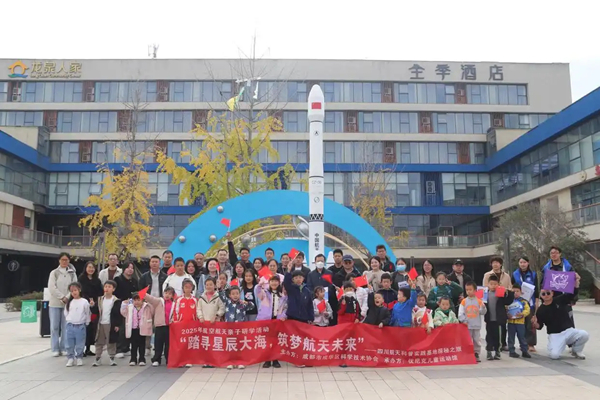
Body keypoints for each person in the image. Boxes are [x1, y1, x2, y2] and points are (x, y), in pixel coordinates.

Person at [533, 277, 589, 360]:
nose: (546, 295)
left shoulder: (560, 299)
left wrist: (576, 283)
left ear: (552, 293)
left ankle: (576, 350)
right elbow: (539, 326)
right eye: (543, 294)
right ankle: (553, 346)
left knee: (584, 334)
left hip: (568, 331)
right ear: (541, 295)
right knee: (554, 355)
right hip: (555, 334)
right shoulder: (540, 310)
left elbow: (572, 294)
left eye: (548, 293)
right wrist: (535, 324)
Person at [48, 252, 78, 357]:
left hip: (68, 303)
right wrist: (61, 297)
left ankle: (64, 347)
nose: (64, 262)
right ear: (59, 260)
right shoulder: (54, 273)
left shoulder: (72, 273)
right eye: (62, 260)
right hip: (55, 303)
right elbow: (52, 287)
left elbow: (74, 286)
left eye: (66, 260)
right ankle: (55, 348)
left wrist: (67, 297)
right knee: (54, 326)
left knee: (66, 327)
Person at [255, 275, 287, 369]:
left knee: (276, 340)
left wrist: (283, 316)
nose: (274, 283)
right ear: (269, 283)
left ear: (279, 283)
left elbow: (286, 307)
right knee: (267, 340)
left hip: (277, 320)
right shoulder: (265, 293)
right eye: (272, 281)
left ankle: (275, 359)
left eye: (276, 281)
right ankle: (267, 359)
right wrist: (260, 284)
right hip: (266, 319)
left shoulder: (283, 295)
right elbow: (257, 292)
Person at [483, 256, 512, 351]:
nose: (495, 264)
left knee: (502, 325)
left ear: (500, 264)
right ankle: (491, 345)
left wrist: (504, 291)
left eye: (497, 262)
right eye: (493, 263)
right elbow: (484, 289)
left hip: (502, 302)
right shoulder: (487, 275)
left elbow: (509, 288)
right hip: (491, 301)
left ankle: (503, 343)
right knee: (490, 326)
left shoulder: (506, 276)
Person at [224, 285, 255, 370]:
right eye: (233, 294)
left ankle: (240, 362)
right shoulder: (227, 303)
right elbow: (221, 295)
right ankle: (230, 362)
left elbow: (252, 306)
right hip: (229, 328)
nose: (235, 295)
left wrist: (247, 303)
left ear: (239, 294)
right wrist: (220, 288)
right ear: (230, 295)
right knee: (230, 344)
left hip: (240, 328)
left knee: (240, 345)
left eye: (237, 293)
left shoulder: (242, 303)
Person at [511, 256, 538, 352]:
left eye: (524, 262)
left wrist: (537, 301)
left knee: (530, 323)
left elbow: (536, 289)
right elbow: (512, 287)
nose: (523, 264)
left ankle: (531, 344)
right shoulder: (514, 274)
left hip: (530, 301)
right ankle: (523, 343)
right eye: (521, 262)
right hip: (519, 302)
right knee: (521, 324)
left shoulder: (533, 274)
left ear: (528, 263)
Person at [484, 274, 514, 360]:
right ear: (488, 284)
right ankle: (489, 351)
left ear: (498, 284)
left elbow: (508, 301)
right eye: (491, 284)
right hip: (489, 320)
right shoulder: (485, 294)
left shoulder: (501, 294)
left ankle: (497, 351)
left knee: (499, 337)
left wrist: (509, 292)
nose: (493, 286)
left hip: (499, 320)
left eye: (495, 284)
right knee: (489, 336)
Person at [93, 280, 122, 367]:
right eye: (106, 286)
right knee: (99, 341)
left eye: (109, 287)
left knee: (111, 341)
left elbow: (118, 314)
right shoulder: (100, 300)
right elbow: (95, 311)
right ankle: (98, 358)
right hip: (100, 323)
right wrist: (92, 305)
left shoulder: (116, 301)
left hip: (110, 323)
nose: (107, 288)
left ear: (113, 289)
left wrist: (117, 325)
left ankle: (112, 358)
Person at [145, 286, 175, 367]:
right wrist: (144, 294)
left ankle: (168, 359)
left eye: (169, 294)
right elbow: (151, 299)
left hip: (169, 326)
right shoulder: (159, 301)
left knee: (168, 345)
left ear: (172, 295)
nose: (167, 295)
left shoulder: (174, 304)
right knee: (158, 344)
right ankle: (156, 359)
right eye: (166, 293)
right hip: (159, 326)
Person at [114, 261, 139, 359]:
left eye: (132, 268)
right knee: (122, 327)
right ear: (124, 269)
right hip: (120, 306)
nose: (130, 270)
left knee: (130, 326)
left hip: (132, 306)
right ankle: (119, 349)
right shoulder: (118, 280)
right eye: (128, 267)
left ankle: (126, 347)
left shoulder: (134, 281)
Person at [78, 261, 103, 357]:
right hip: (83, 305)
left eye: (92, 267)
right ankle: (80, 349)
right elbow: (80, 291)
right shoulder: (81, 279)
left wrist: (95, 302)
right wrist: (87, 300)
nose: (91, 269)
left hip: (94, 306)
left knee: (91, 328)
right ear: (85, 268)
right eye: (89, 267)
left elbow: (100, 292)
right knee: (83, 327)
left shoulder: (97, 280)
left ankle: (88, 348)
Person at [120, 294, 153, 366]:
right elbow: (123, 312)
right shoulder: (130, 307)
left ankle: (142, 359)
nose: (136, 302)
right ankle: (133, 359)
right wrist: (124, 304)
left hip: (142, 328)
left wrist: (149, 302)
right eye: (135, 300)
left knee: (142, 345)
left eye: (138, 300)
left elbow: (152, 311)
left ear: (142, 300)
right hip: (133, 328)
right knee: (133, 345)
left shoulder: (146, 307)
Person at [63, 282, 91, 367]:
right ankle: (70, 358)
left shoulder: (84, 302)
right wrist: (69, 320)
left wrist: (87, 322)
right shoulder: (69, 302)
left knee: (80, 343)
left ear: (79, 290)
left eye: (75, 290)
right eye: (72, 291)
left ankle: (79, 357)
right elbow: (66, 312)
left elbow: (87, 312)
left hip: (80, 325)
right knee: (69, 343)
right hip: (70, 325)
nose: (74, 292)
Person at [458, 282, 487, 362]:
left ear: (475, 290)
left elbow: (482, 312)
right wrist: (463, 320)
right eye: (467, 290)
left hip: (476, 324)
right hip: (467, 325)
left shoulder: (479, 301)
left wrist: (483, 307)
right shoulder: (464, 301)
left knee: (476, 340)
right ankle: (467, 353)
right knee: (467, 340)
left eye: (470, 289)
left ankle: (476, 353)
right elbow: (460, 313)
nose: (468, 291)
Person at [506, 284, 531, 359]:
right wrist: (507, 314)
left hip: (520, 323)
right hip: (511, 322)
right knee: (511, 338)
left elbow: (527, 310)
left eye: (517, 291)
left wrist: (522, 314)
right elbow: (505, 308)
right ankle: (511, 351)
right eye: (514, 291)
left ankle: (524, 351)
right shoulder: (508, 301)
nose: (515, 293)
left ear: (521, 292)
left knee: (522, 337)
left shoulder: (523, 301)